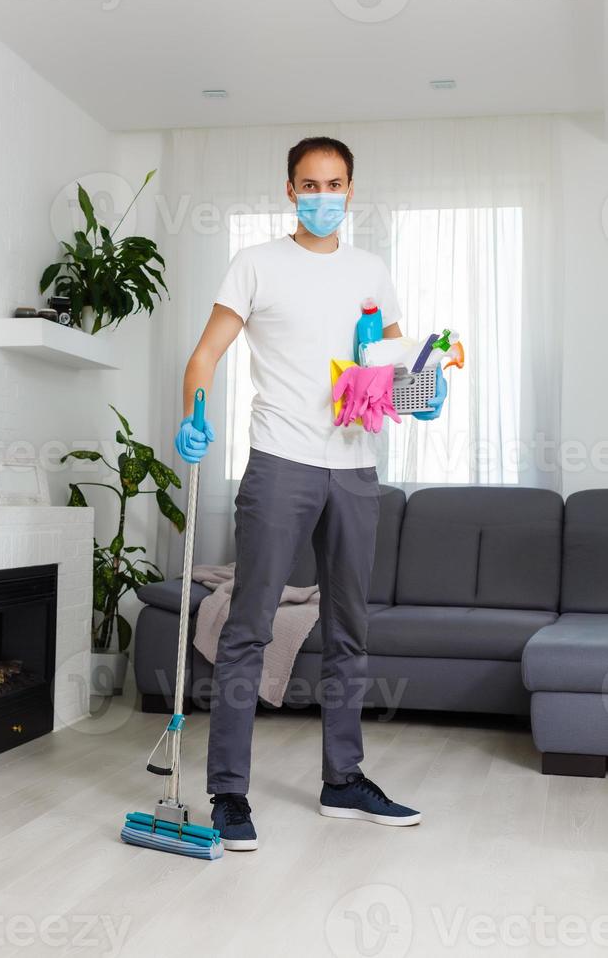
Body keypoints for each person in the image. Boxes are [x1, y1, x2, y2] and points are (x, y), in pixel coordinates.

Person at [174, 136, 446, 851]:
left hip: (356, 468)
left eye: (335, 183)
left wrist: (424, 393)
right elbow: (205, 355)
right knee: (248, 629)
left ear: (351, 189)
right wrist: (192, 418)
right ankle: (228, 793)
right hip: (280, 463)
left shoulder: (372, 271)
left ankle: (343, 780)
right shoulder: (256, 263)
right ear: (290, 190)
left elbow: (388, 368)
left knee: (351, 628)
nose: (323, 195)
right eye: (309, 184)